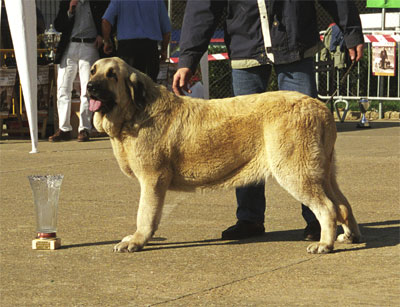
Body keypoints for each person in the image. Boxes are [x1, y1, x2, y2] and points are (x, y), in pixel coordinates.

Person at [173, 0, 364, 241]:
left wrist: (352, 31)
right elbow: (204, 5)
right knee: (242, 144)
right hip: (246, 46)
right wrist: (188, 58)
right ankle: (249, 218)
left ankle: (318, 217)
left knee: (305, 145)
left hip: (295, 44)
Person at [49, 0, 109, 142]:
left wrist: (102, 35)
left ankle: (84, 128)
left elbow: (106, 21)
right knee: (63, 88)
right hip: (70, 46)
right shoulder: (67, 2)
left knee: (87, 90)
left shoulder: (97, 3)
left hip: (89, 45)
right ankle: (63, 128)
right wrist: (70, 10)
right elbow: (58, 25)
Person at [102, 0, 171, 82]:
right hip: (150, 50)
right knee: (149, 87)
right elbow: (167, 30)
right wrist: (163, 49)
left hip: (127, 50)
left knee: (127, 85)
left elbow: (106, 21)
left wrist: (107, 41)